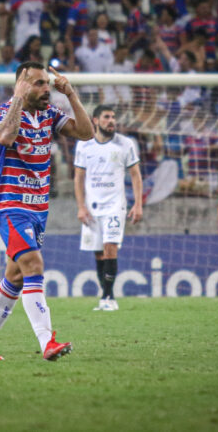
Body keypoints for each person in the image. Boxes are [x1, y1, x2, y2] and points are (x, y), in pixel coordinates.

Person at [0, 62, 93, 361]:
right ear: (21, 85)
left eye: (47, 83)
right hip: (10, 204)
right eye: (38, 83)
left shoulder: (49, 116)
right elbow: (5, 137)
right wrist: (17, 98)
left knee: (16, 274)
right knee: (33, 264)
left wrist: (72, 96)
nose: (46, 89)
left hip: (38, 208)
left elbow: (87, 134)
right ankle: (47, 342)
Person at [74, 105, 143, 311]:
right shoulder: (84, 145)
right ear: (95, 120)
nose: (111, 121)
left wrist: (138, 204)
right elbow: (78, 178)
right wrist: (81, 207)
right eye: (106, 117)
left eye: (113, 117)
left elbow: (135, 174)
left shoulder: (125, 144)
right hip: (92, 208)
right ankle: (105, 297)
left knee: (110, 248)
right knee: (98, 253)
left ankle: (108, 297)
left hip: (115, 205)